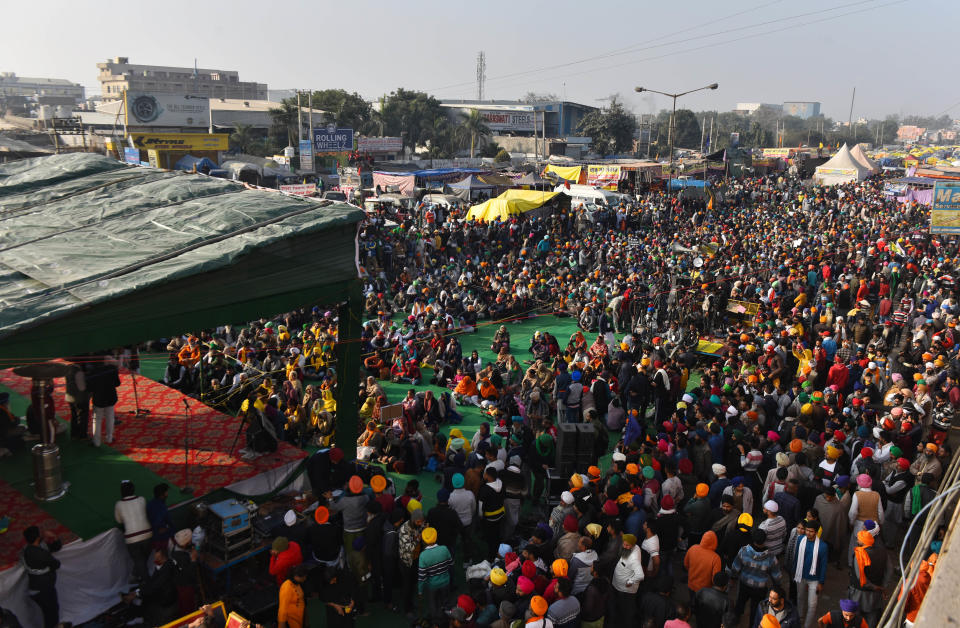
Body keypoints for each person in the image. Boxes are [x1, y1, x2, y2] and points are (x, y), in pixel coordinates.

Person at [728, 528, 782, 621]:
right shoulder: (770, 557)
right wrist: (777, 585)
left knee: (740, 602)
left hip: (744, 583)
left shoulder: (743, 551)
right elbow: (776, 576)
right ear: (764, 540)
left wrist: (734, 576)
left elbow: (735, 568)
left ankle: (735, 619)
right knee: (756, 609)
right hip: (760, 589)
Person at [20, 526, 67, 628]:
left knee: (50, 614)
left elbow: (55, 547)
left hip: (38, 587)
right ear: (37, 537)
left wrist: (54, 538)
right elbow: (56, 564)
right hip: (43, 590)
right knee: (51, 615)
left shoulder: (29, 549)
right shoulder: (39, 554)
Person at [122, 546, 178, 625]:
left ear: (163, 558)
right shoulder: (161, 566)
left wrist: (137, 593)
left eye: (157, 558)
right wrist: (137, 591)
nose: (155, 560)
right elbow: (152, 582)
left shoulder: (167, 568)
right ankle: (141, 616)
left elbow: (156, 585)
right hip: (160, 592)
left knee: (144, 595)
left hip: (166, 597)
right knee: (141, 593)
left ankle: (142, 616)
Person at [114, 480, 152, 582]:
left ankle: (147, 584)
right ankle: (136, 575)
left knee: (140, 562)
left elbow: (118, 520)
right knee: (142, 561)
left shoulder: (119, 504)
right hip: (148, 534)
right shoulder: (142, 499)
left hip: (132, 539)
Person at [418, 527, 453, 622]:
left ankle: (436, 622)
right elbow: (451, 563)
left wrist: (420, 591)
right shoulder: (444, 549)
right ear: (436, 537)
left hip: (432, 586)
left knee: (433, 605)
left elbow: (422, 577)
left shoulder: (423, 556)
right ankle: (448, 621)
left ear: (424, 540)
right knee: (446, 603)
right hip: (445, 582)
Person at [611, 533, 644, 627]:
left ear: (632, 545)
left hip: (625, 590)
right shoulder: (635, 547)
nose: (625, 547)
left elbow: (641, 575)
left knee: (626, 610)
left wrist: (630, 581)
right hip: (620, 586)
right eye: (624, 544)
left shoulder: (633, 558)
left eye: (627, 545)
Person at [87, 355, 121, 447]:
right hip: (110, 397)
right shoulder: (112, 369)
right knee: (110, 417)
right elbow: (117, 383)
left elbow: (89, 387)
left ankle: (96, 442)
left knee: (97, 420)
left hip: (99, 398)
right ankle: (109, 438)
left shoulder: (92, 371)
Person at [278, 563, 309, 628]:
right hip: (292, 620)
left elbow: (302, 600)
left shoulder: (298, 583)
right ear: (296, 576)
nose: (305, 578)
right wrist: (282, 625)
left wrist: (306, 620)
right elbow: (282, 609)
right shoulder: (287, 587)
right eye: (303, 577)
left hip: (300, 617)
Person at [146, 483, 173, 550]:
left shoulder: (150, 504)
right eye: (166, 492)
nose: (167, 494)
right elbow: (161, 522)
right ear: (162, 494)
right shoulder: (161, 507)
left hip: (154, 536)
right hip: (162, 538)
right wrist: (167, 528)